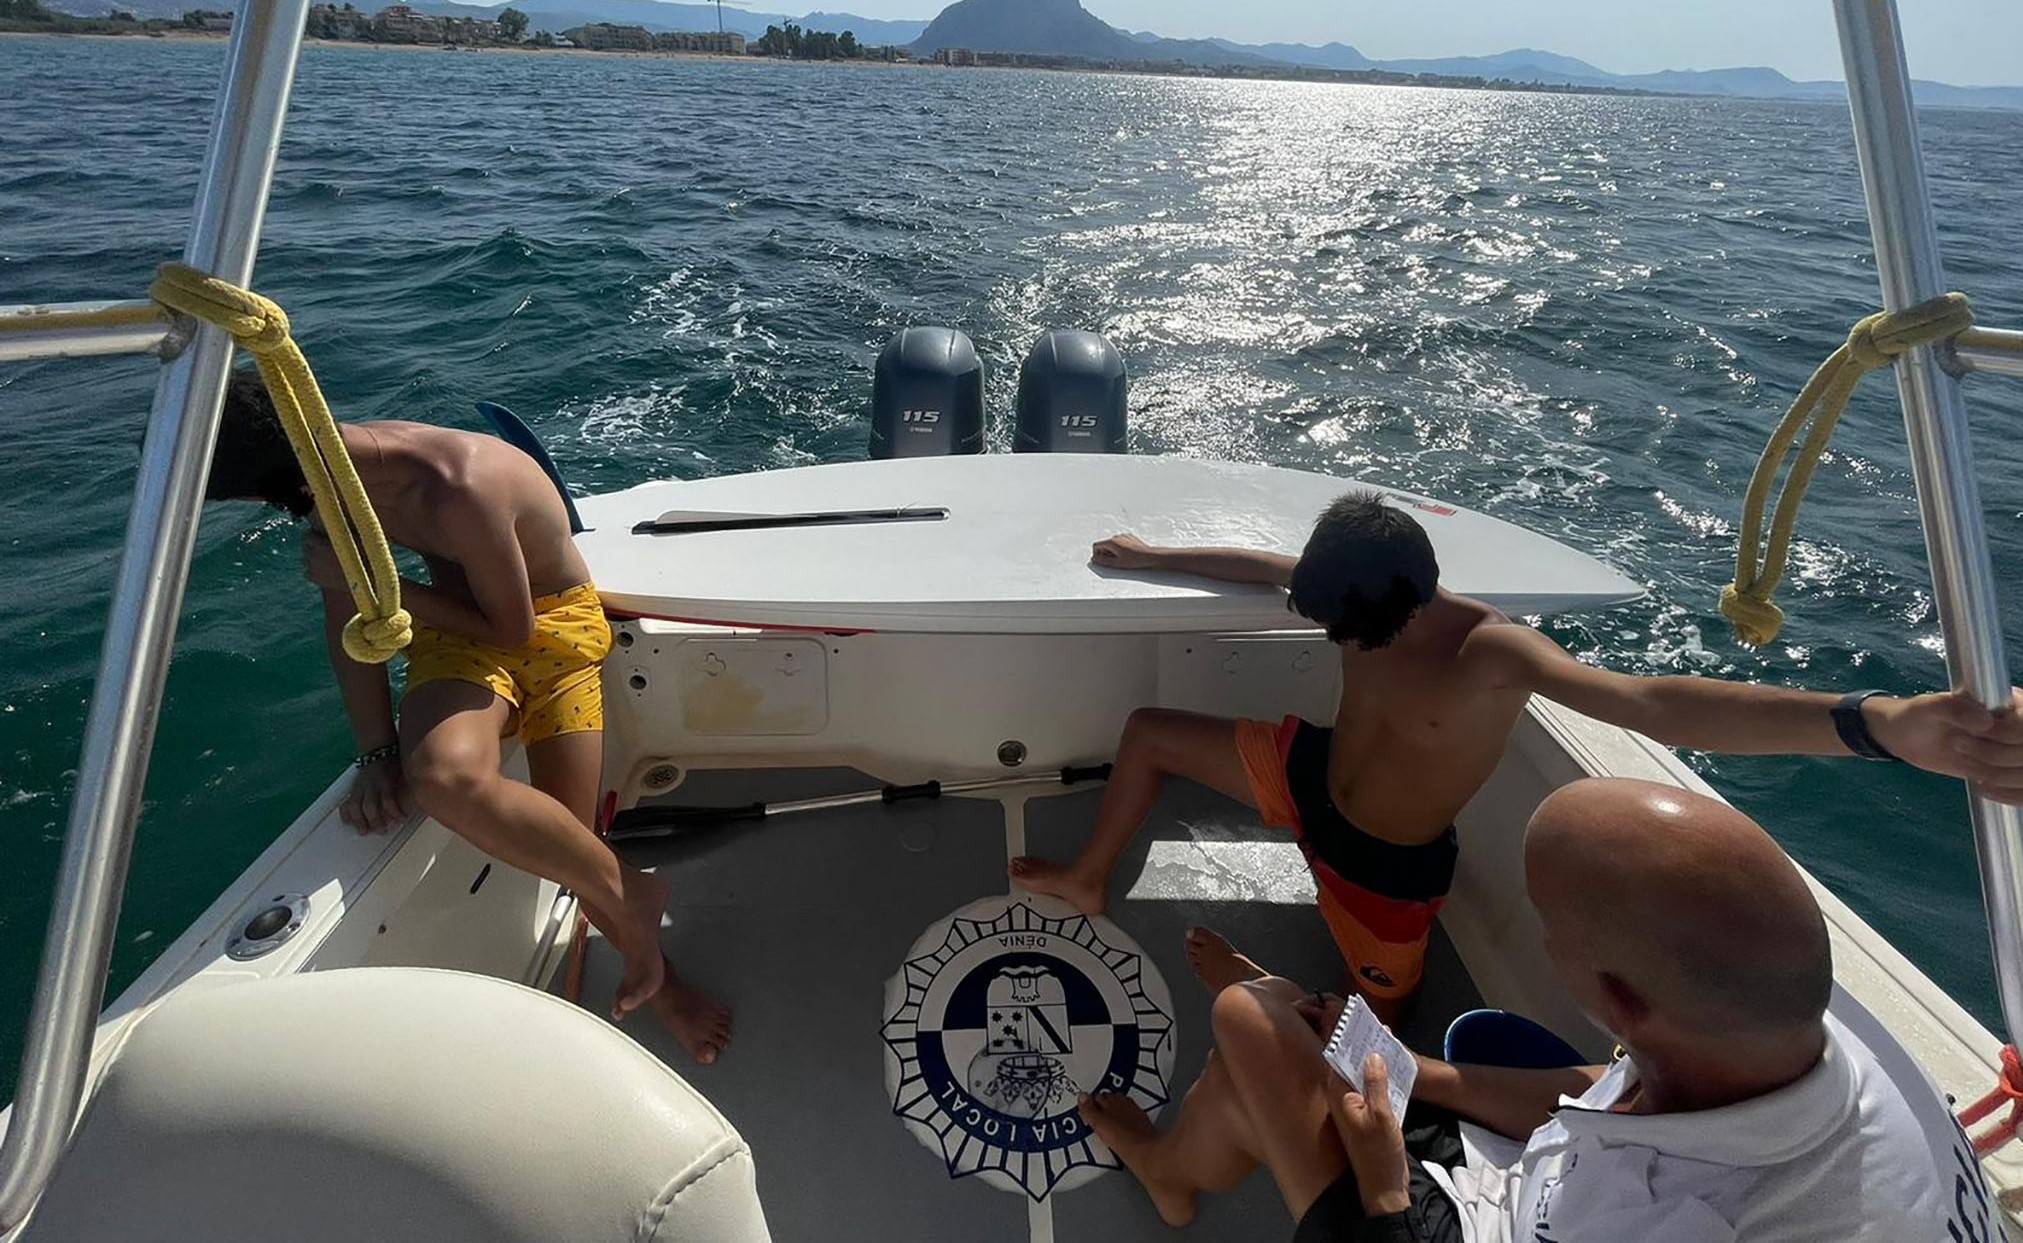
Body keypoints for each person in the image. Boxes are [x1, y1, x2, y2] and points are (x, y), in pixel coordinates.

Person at [1011, 490, 2023, 1016]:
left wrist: (1876, 722)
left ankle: (1322, 1045)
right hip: (1301, 772)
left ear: (1411, 599)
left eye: (1350, 635)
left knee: (1381, 1026)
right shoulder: (1356, 589)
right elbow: (1271, 568)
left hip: (1382, 873)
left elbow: (1649, 701)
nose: (1341, 646)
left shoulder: (1489, 650)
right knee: (1147, 730)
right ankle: (1093, 879)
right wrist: (1151, 557)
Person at [1081, 778, 1994, 1242]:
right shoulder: (1785, 1009)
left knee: (1250, 1020)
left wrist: (1385, 1190)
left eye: (1548, 923)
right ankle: (1178, 1161)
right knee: (1274, 1059)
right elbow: (1616, 1083)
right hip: (1552, 1177)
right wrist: (1417, 1075)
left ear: (1620, 998)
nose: (1540, 931)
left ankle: (1181, 1151)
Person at [204, 370, 731, 1063]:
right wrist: (375, 751)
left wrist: (385, 588)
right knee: (448, 778)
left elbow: (510, 630)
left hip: (554, 633)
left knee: (568, 845)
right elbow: (352, 624)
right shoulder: (332, 483)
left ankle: (659, 972)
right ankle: (631, 888)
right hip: (459, 639)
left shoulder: (460, 487)